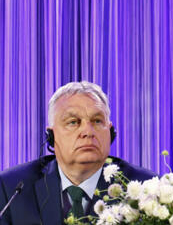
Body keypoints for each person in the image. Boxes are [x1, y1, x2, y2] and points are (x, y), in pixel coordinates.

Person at [0, 81, 157, 224]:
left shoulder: (145, 187)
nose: (87, 132)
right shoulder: (11, 188)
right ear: (51, 136)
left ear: (111, 132)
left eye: (97, 121)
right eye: (73, 122)